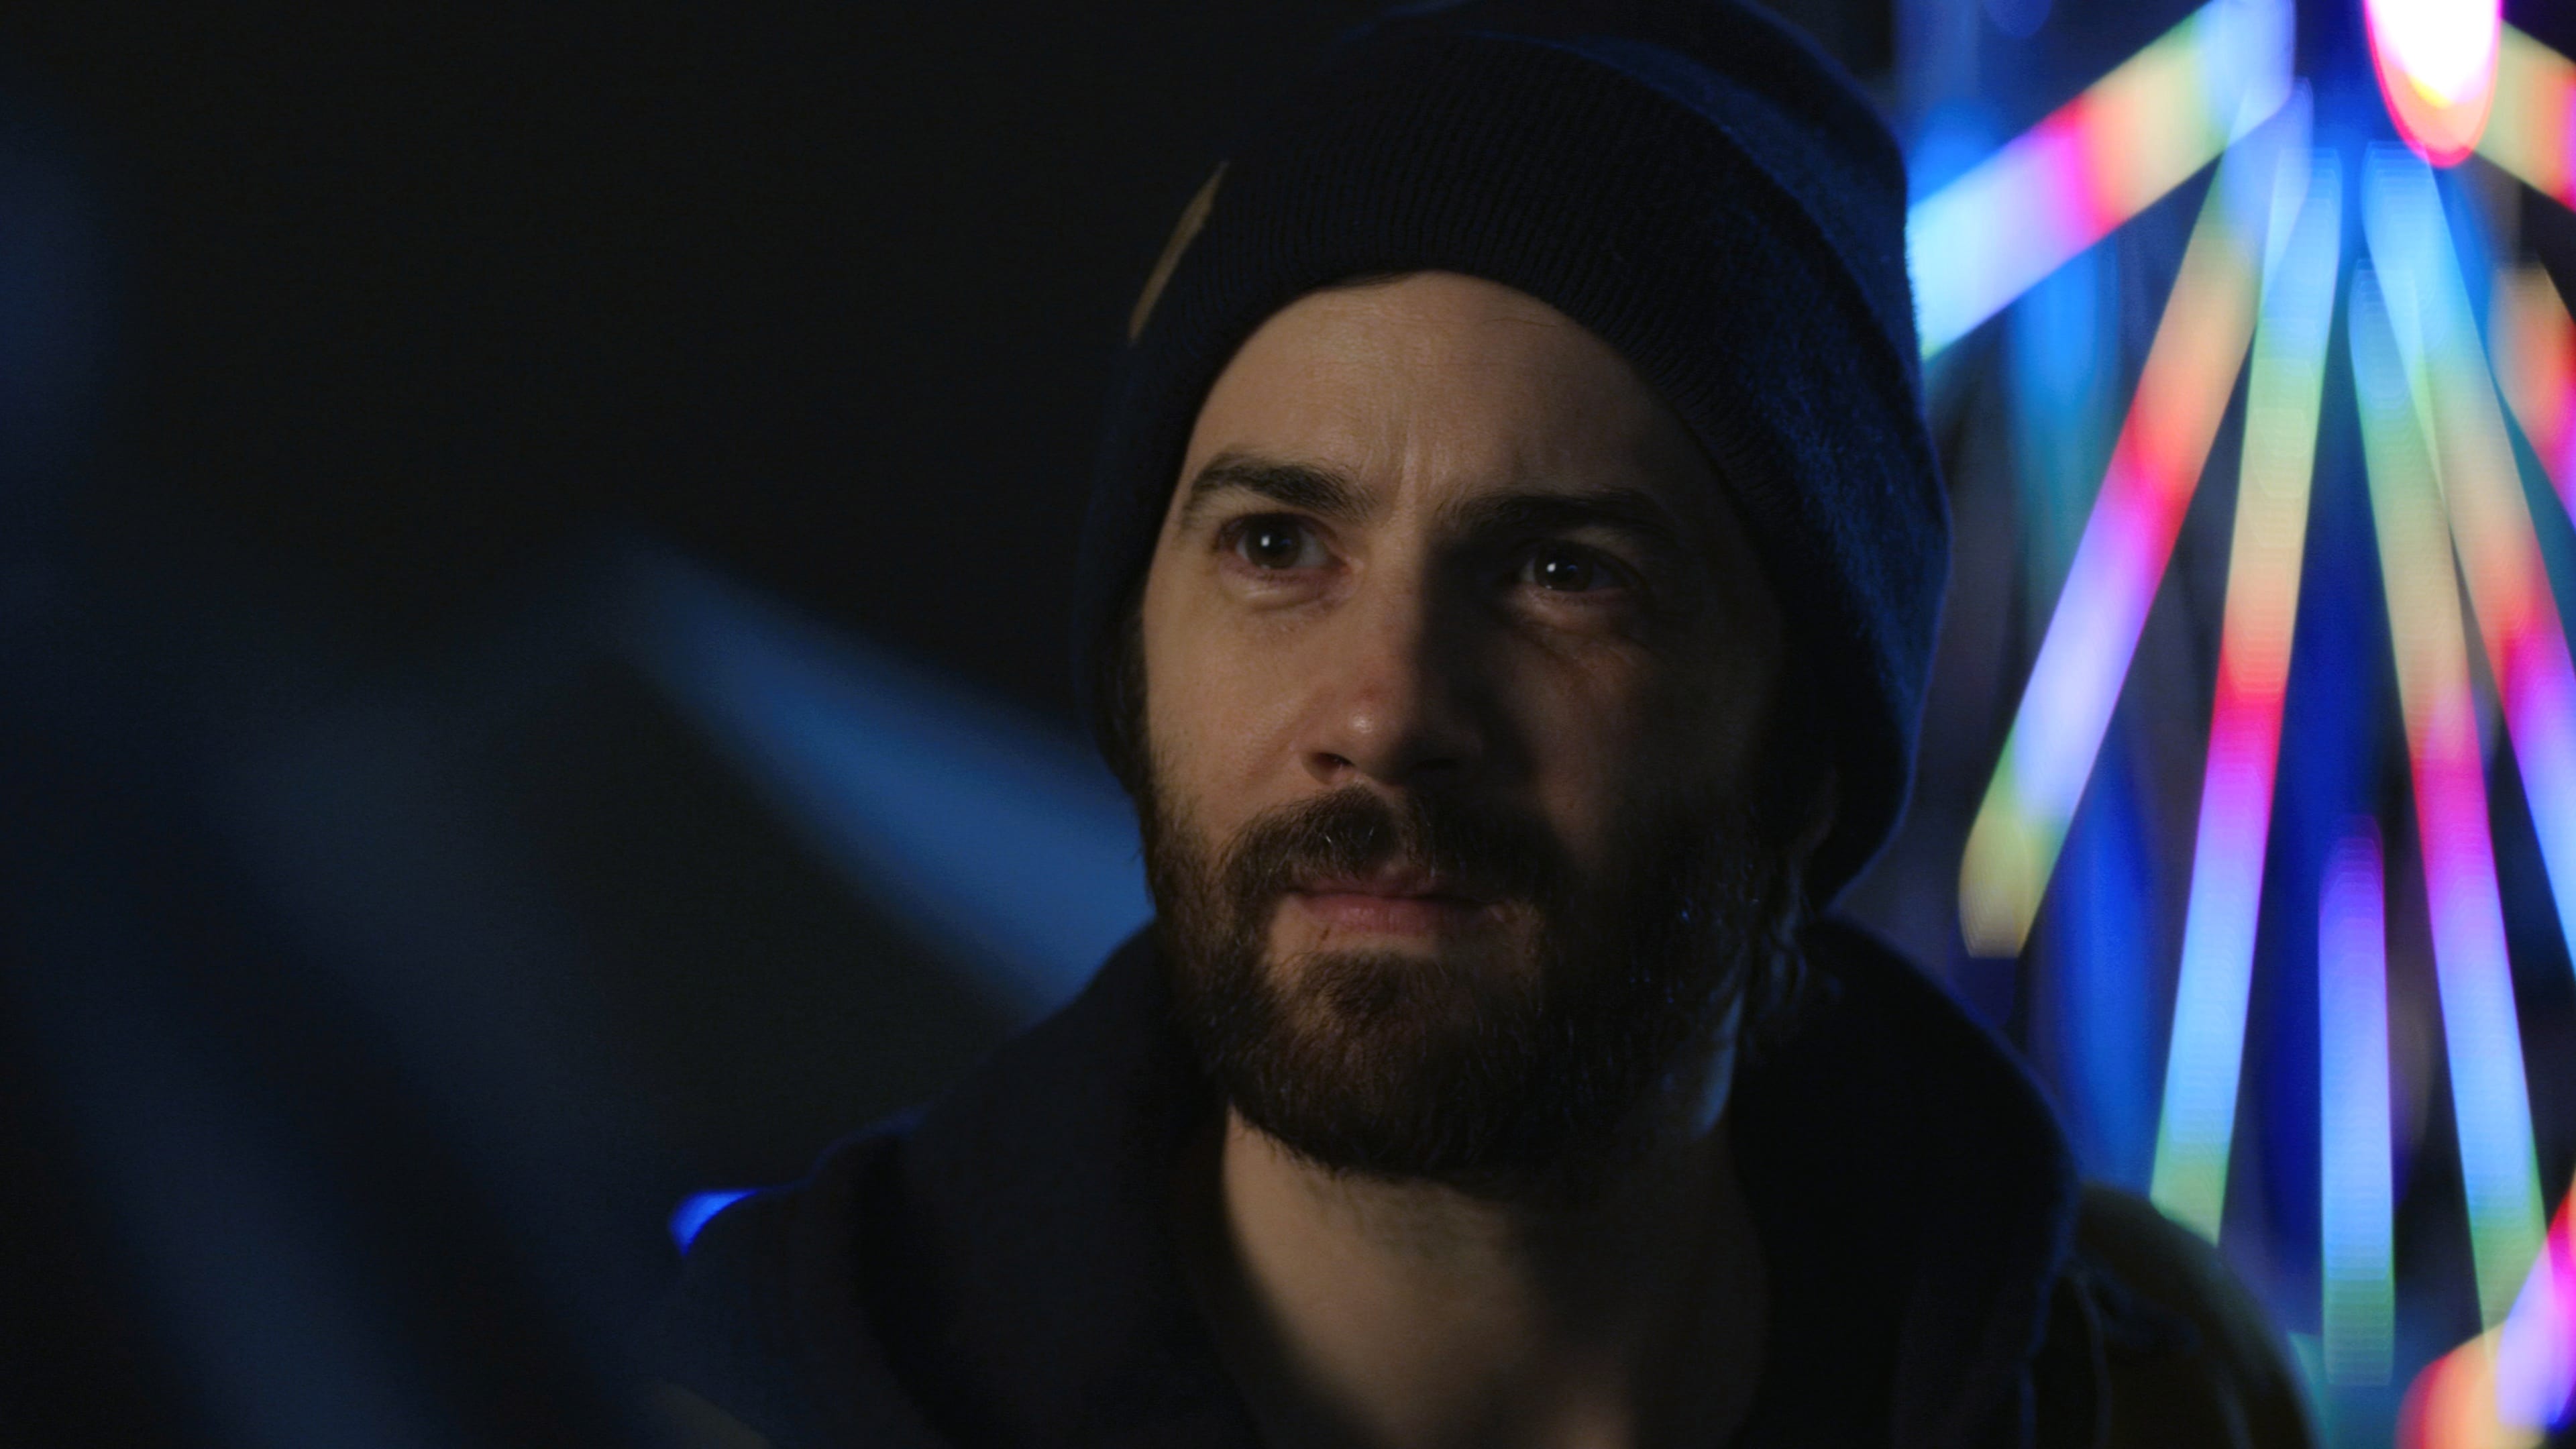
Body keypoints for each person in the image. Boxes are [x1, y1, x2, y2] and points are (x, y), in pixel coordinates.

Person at [647, 1, 2316, 1444]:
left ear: (1808, 740)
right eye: (1276, 547)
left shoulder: (2153, 1396)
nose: (1385, 713)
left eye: (1562, 572)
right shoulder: (742, 1406)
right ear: (1137, 648)